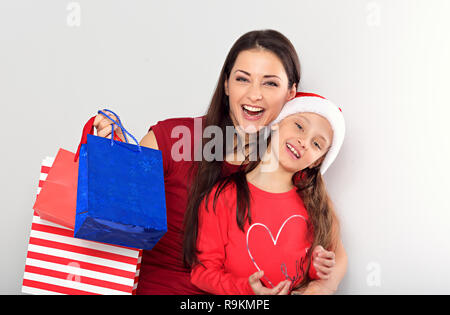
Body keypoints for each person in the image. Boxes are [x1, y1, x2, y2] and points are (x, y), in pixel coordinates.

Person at [94, 30, 347, 294]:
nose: (254, 95)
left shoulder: (288, 162)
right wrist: (114, 160)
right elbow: (112, 217)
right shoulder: (171, 140)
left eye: (270, 83)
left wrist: (318, 288)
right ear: (226, 84)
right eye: (242, 79)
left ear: (291, 93)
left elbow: (335, 251)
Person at [188, 93, 345, 295]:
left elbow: (301, 268)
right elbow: (201, 273)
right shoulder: (223, 196)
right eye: (299, 126)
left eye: (316, 144)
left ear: (316, 162)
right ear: (276, 124)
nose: (304, 141)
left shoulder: (312, 207)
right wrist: (248, 290)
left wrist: (318, 265)